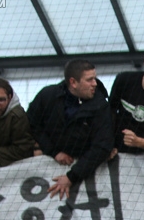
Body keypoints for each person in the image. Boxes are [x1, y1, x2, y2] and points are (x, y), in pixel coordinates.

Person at [27, 59, 114, 200]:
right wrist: (53, 152)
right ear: (73, 82)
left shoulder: (100, 107)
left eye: (95, 78)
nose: (95, 84)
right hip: (51, 167)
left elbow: (102, 146)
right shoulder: (47, 96)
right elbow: (32, 124)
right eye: (89, 80)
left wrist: (72, 177)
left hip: (83, 174)